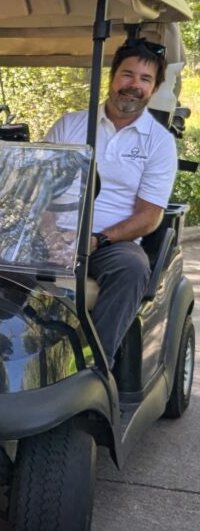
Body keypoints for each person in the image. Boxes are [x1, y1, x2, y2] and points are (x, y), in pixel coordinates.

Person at [44, 38, 177, 365]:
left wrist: (96, 240)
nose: (134, 86)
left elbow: (149, 216)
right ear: (113, 77)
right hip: (52, 235)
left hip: (110, 243)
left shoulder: (159, 143)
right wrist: (49, 236)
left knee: (132, 266)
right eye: (128, 75)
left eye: (145, 80)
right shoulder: (70, 125)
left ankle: (94, 367)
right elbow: (38, 190)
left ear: (154, 88)